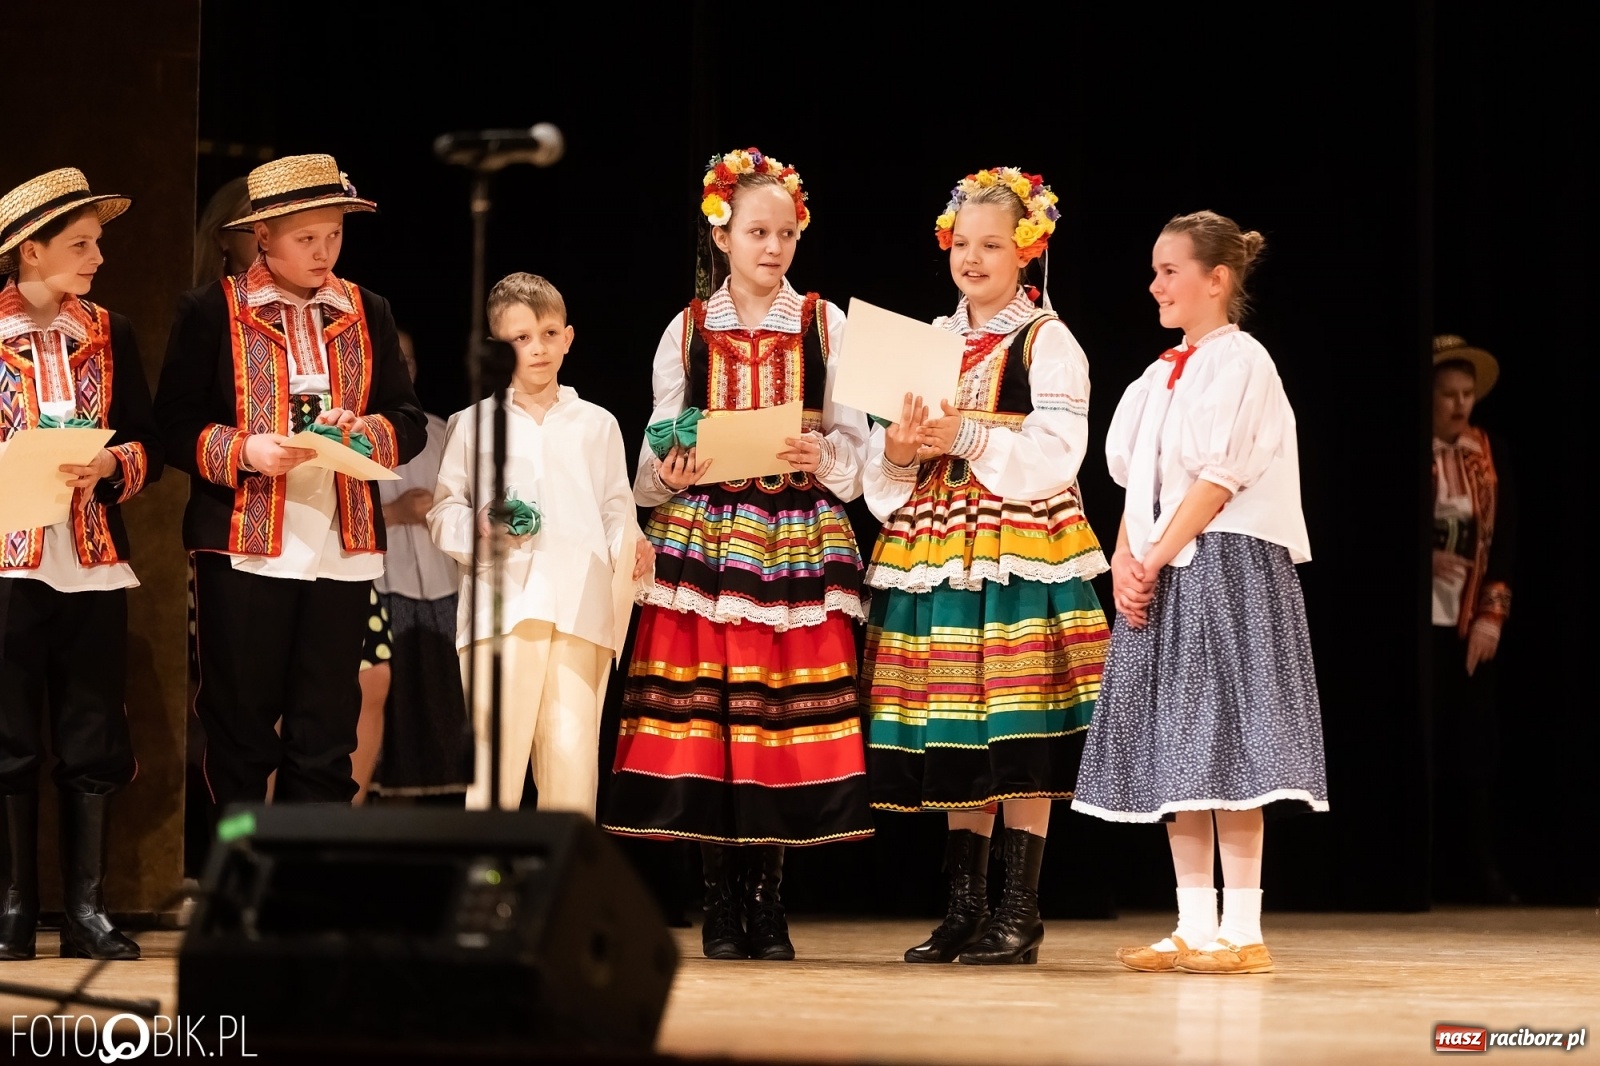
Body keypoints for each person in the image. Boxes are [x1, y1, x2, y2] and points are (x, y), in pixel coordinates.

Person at [602, 147, 873, 962]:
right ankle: (718, 898)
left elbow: (858, 466)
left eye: (785, 233)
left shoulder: (827, 325)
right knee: (708, 718)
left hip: (794, 537)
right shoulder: (686, 329)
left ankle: (768, 898)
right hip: (707, 540)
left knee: (773, 716)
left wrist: (816, 453)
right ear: (722, 235)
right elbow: (650, 470)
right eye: (757, 231)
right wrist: (671, 467)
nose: (773, 248)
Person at [861, 167, 1110, 966]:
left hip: (1015, 544)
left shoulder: (1046, 340)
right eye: (962, 243)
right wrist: (898, 451)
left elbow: (1059, 453)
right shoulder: (925, 344)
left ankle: (1020, 909)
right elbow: (883, 468)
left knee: (1017, 714)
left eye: (992, 245)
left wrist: (964, 437)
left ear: (1026, 252)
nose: (973, 258)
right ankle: (964, 908)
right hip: (936, 543)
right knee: (958, 719)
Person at [1072, 210, 1327, 975]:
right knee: (1176, 744)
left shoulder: (1241, 361)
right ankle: (1194, 924)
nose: (1156, 285)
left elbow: (1217, 481)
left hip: (1225, 564)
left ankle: (1243, 930)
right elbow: (1138, 485)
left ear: (1216, 280)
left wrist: (1153, 558)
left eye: (1170, 270)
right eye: (1155, 270)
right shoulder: (1156, 377)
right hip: (1165, 561)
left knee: (1229, 739)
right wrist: (1122, 559)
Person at [154, 153, 426, 813]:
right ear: (264, 235)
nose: (323, 250)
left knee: (326, 730)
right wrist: (246, 449)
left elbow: (408, 419)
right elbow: (173, 424)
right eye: (307, 237)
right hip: (245, 545)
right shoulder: (212, 310)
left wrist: (359, 431)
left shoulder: (369, 310)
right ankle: (238, 890)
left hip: (340, 545)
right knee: (241, 729)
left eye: (334, 234)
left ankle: (307, 894)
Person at [0, 168, 162, 960]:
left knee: (92, 736)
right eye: (81, 243)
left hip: (91, 560)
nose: (97, 256)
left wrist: (110, 468)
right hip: (7, 560)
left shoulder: (109, 330)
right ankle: (12, 907)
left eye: (97, 242)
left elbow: (146, 441)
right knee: (8, 739)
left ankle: (86, 910)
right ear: (31, 251)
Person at [429, 273, 649, 815]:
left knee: (573, 775)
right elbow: (443, 512)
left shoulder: (597, 424)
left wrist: (633, 544)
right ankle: (488, 888)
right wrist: (479, 526)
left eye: (549, 334)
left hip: (581, 612)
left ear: (569, 337)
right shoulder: (474, 424)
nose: (538, 349)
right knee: (494, 774)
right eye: (521, 338)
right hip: (501, 613)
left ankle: (565, 895)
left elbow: (616, 507)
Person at [1428, 334, 1514, 903]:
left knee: (1471, 749)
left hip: (1463, 617)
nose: (1460, 406)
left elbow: (1502, 540)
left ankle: (1477, 873)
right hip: (1419, 620)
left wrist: (1491, 613)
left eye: (1467, 395)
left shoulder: (1482, 453)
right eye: (1448, 395)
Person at [368, 329, 471, 803]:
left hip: (442, 595)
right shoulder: (353, 437)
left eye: (409, 361)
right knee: (384, 727)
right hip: (382, 594)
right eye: (394, 360)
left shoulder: (442, 432)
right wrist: (396, 514)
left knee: (439, 728)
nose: (402, 370)